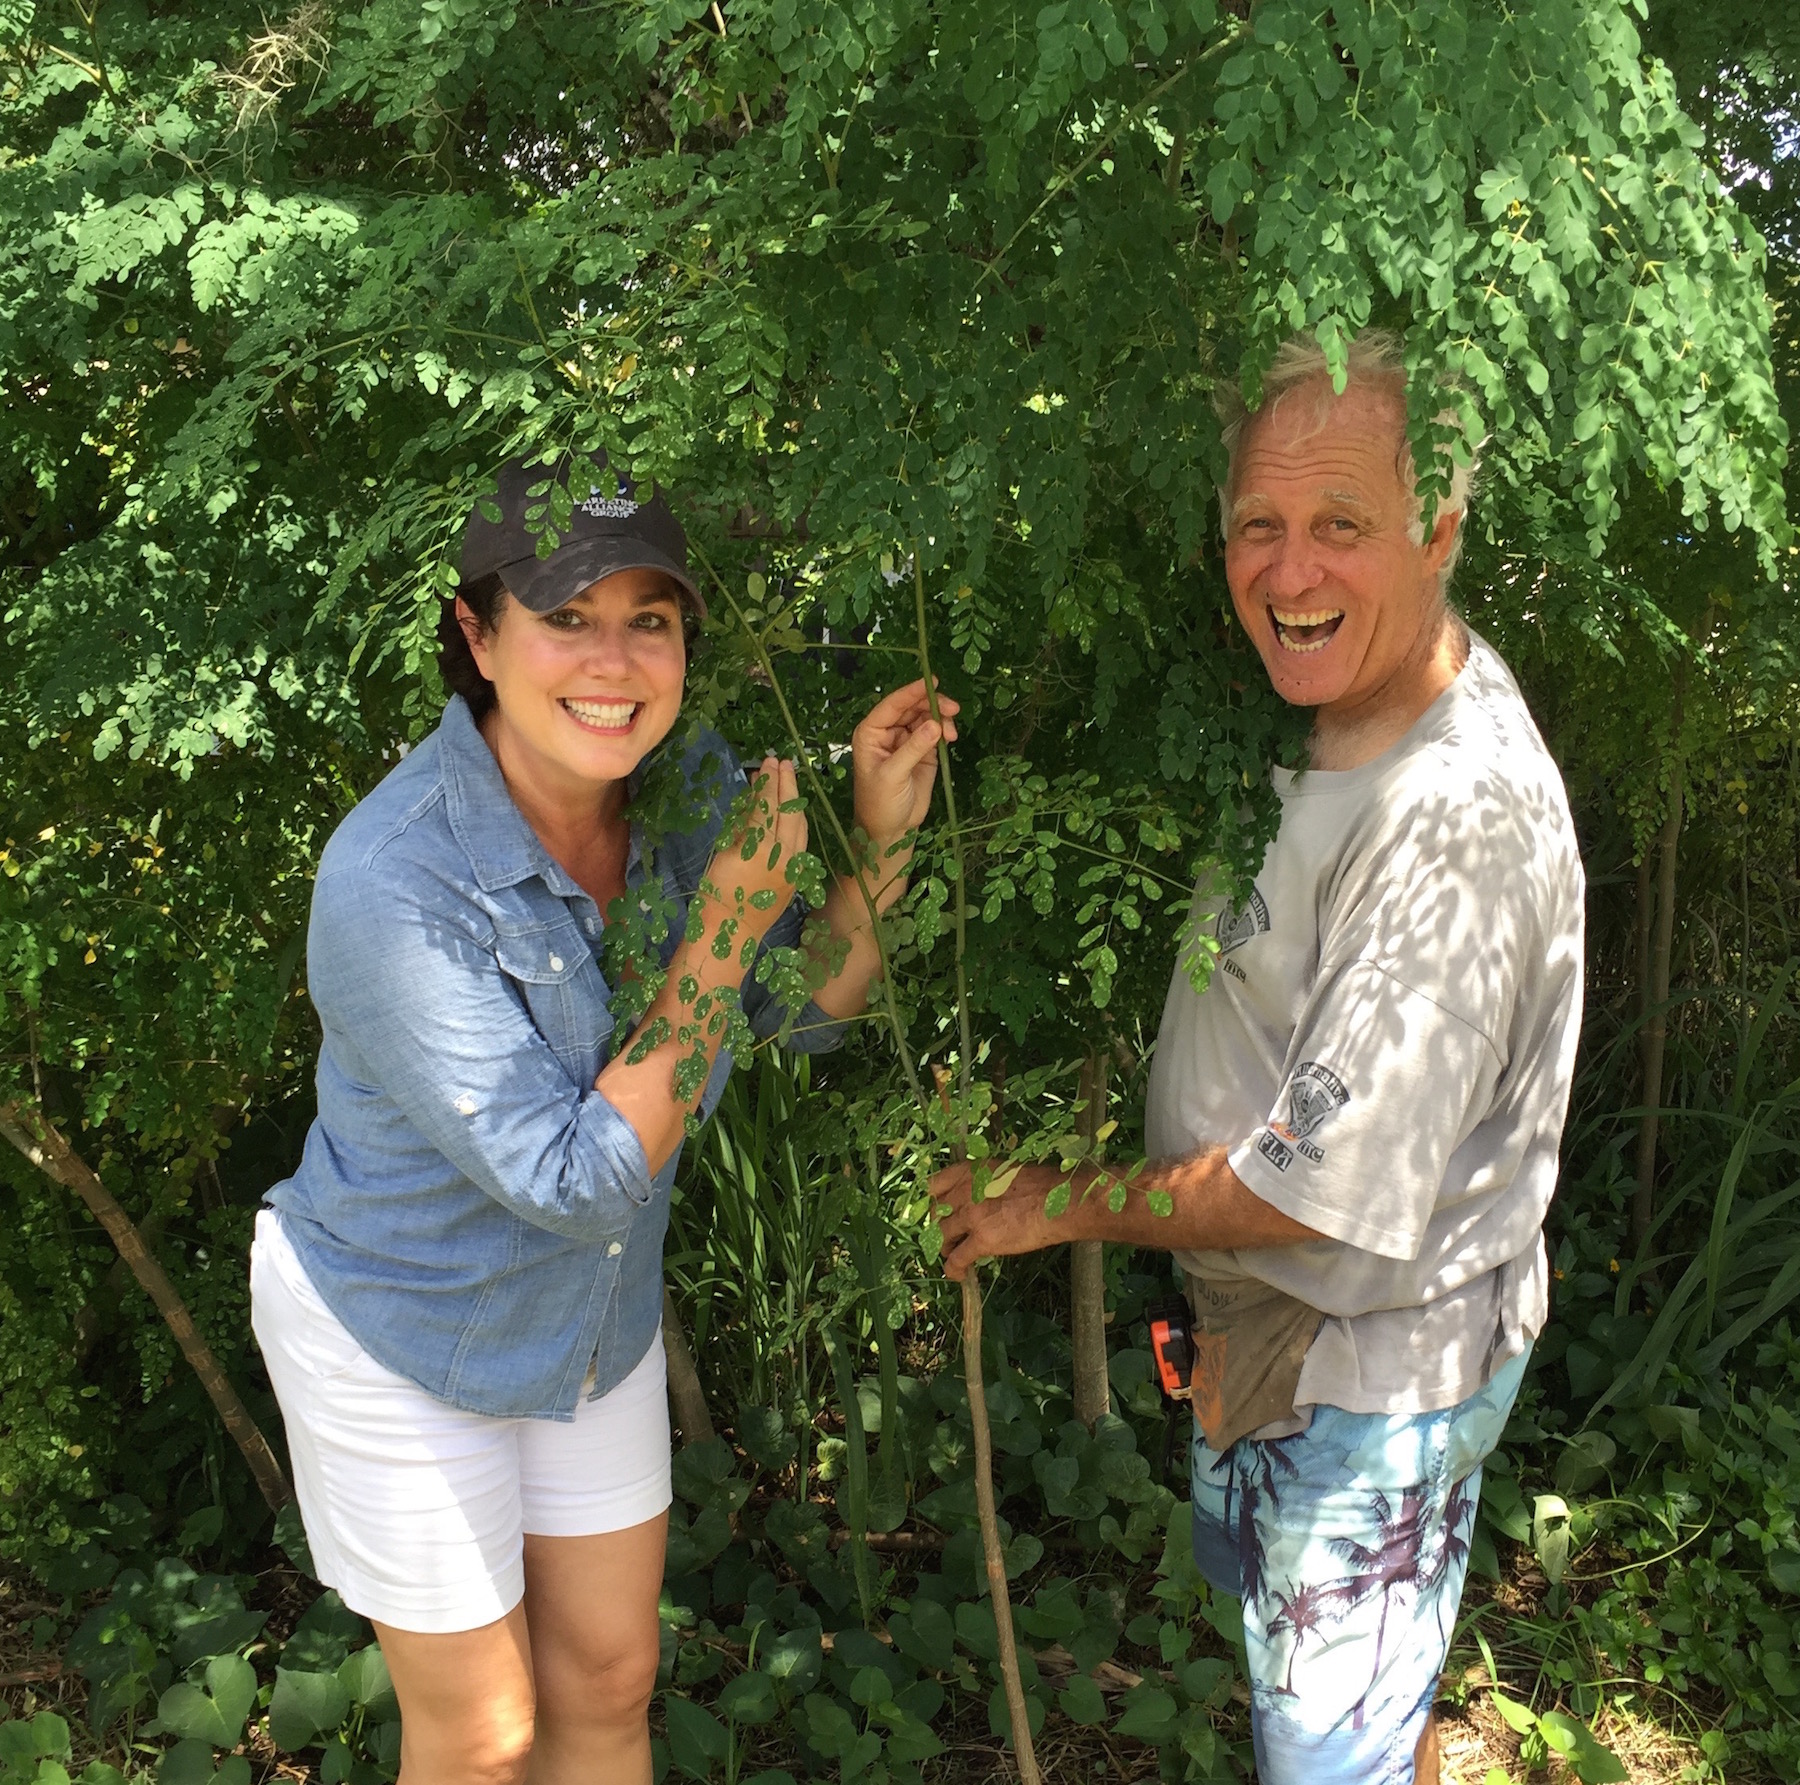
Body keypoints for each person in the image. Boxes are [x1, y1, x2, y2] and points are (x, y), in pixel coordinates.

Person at [930, 330, 1583, 1785]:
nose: (1290, 576)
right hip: (1283, 1353)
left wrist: (1056, 1201)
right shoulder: (1342, 702)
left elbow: (1313, 1191)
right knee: (1369, 1721)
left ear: (1443, 529)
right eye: (1258, 528)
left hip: (1364, 1382)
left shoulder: (1455, 825)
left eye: (1342, 526)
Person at [252, 456, 957, 1785]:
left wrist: (882, 830)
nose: (614, 659)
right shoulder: (394, 878)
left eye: (651, 618)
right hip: (399, 1325)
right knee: (481, 1741)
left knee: (611, 1677)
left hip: (587, 1317)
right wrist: (732, 914)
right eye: (567, 614)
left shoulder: (687, 789)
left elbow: (808, 1013)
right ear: (478, 632)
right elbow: (573, 1174)